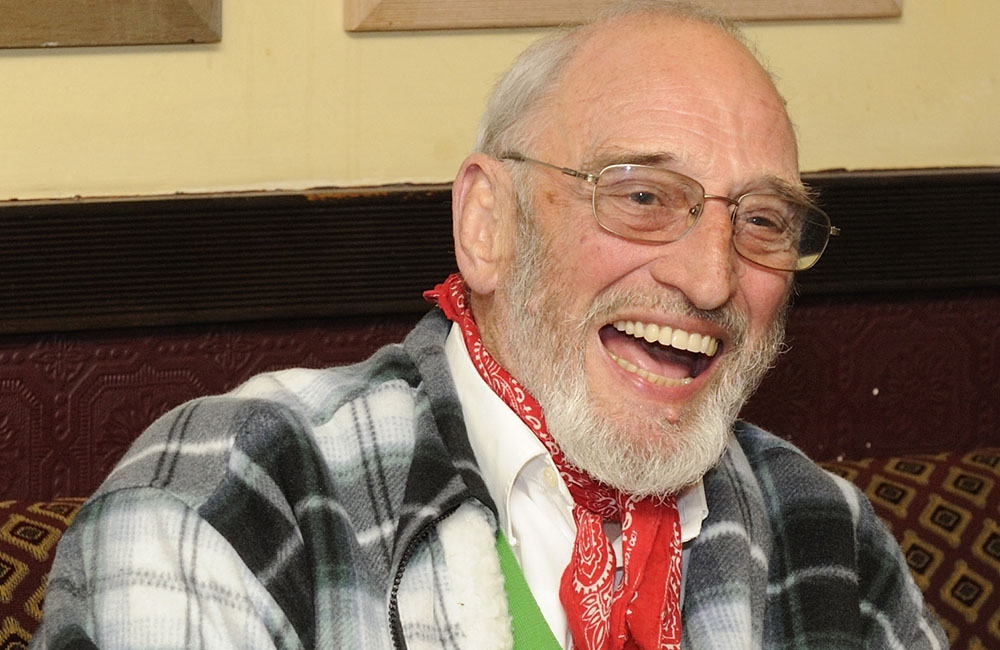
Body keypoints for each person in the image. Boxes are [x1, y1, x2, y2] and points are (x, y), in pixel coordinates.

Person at [32, 2, 946, 649]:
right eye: (641, 197)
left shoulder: (826, 537)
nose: (711, 279)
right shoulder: (224, 503)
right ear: (488, 225)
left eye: (764, 221)